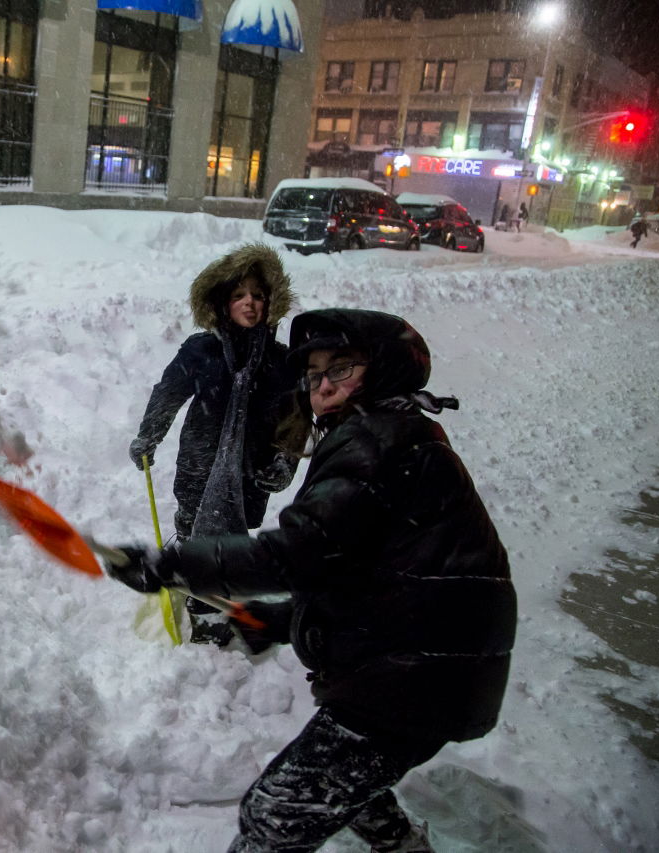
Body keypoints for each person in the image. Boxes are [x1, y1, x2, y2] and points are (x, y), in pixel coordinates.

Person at [104, 308, 517, 852]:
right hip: (424, 665)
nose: (323, 386)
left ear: (383, 369)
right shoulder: (391, 431)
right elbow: (352, 564)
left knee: (275, 813)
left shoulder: (376, 440)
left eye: (341, 369)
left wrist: (174, 567)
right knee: (346, 784)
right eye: (315, 373)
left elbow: (296, 553)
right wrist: (281, 619)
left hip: (416, 675)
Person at [128, 243, 302, 646]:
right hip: (199, 464)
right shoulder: (201, 350)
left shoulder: (280, 362)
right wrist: (148, 435)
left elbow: (295, 421)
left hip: (249, 471)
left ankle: (220, 601)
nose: (250, 303)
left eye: (258, 295)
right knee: (194, 529)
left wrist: (285, 462)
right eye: (240, 294)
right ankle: (199, 607)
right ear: (223, 302)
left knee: (234, 542)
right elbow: (168, 393)